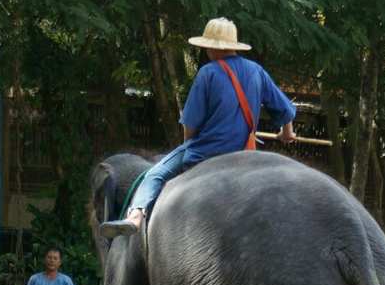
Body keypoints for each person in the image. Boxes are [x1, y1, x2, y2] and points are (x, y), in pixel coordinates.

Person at [100, 17, 298, 238]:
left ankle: (135, 216)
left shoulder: (208, 73)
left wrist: (187, 147)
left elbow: (191, 125)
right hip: (244, 154)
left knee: (155, 173)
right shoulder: (256, 71)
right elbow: (285, 108)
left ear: (211, 48)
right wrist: (286, 133)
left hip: (206, 151)